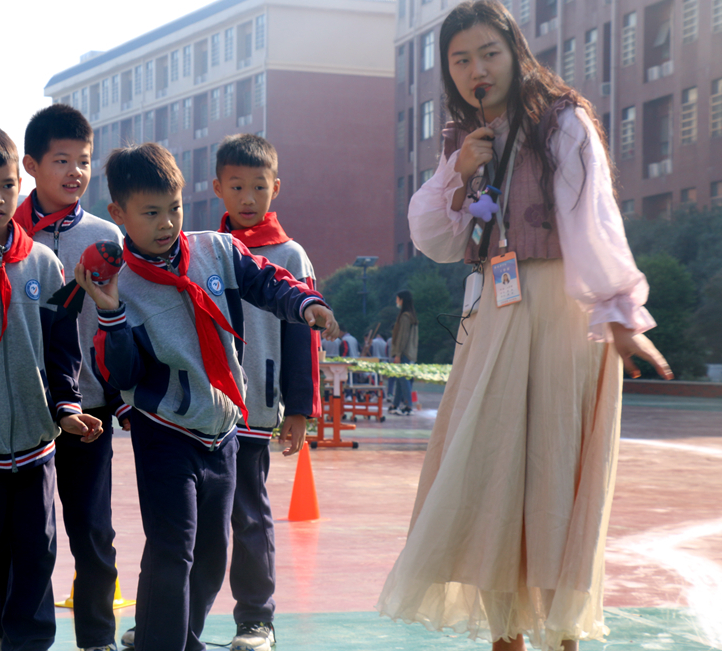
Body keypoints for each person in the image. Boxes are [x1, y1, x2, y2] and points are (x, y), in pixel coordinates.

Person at [376, 3, 673, 651]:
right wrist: (459, 170)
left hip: (559, 307)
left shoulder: (563, 121)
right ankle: (505, 634)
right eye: (460, 60)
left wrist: (617, 309)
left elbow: (592, 217)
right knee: (487, 471)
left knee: (551, 470)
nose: (475, 69)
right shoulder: (463, 139)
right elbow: (434, 238)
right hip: (492, 314)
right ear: (447, 72)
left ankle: (560, 634)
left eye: (488, 53)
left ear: (515, 51)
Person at [75, 143, 338, 651]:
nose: (166, 223)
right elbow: (118, 371)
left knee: (214, 551)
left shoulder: (217, 249)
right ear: (119, 215)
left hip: (225, 433)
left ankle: (173, 632)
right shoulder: (117, 284)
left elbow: (268, 281)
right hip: (165, 435)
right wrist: (108, 311)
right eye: (150, 213)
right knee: (174, 549)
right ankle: (162, 641)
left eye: (173, 208)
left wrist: (304, 304)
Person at [0, 104, 128, 651]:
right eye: (61, 159)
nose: (75, 171)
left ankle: (97, 638)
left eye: (84, 161)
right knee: (13, 540)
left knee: (92, 534)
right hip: (18, 421)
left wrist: (116, 398)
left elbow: (121, 318)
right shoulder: (2, 225)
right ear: (31, 167)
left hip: (86, 412)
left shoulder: (108, 235)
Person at [212, 134, 321, 651]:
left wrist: (298, 409)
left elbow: (304, 339)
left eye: (259, 186)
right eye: (237, 185)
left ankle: (256, 621)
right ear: (218, 189)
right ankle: (173, 615)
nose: (248, 196)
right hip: (204, 415)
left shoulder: (290, 254)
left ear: (275, 187)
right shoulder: (205, 248)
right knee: (191, 524)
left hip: (255, 412)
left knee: (249, 518)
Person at [388, 290, 418, 416]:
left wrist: (398, 354)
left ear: (402, 300)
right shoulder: (411, 316)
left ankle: (408, 405)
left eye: (397, 298)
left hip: (403, 352)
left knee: (403, 379)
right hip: (408, 352)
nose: (396, 301)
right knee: (400, 379)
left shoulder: (405, 316)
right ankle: (396, 404)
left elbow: (402, 336)